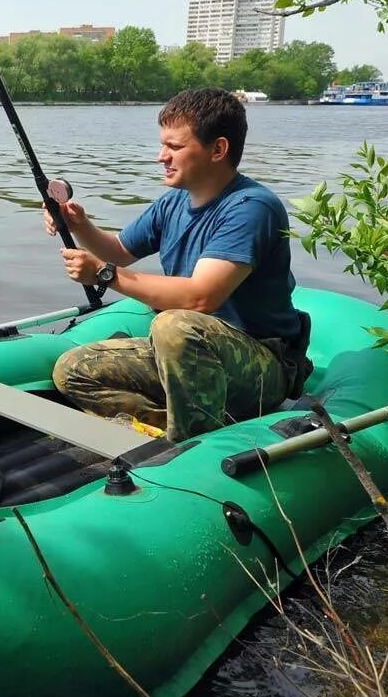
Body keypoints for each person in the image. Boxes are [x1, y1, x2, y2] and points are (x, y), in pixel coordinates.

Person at [43, 87, 304, 441]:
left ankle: (192, 443)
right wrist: (78, 224)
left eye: (175, 147)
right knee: (73, 370)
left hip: (259, 362)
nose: (161, 157)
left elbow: (200, 299)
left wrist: (104, 275)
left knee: (174, 325)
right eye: (163, 145)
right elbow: (119, 249)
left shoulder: (252, 207)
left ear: (218, 149)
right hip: (184, 349)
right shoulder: (173, 203)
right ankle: (175, 426)